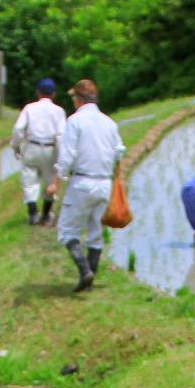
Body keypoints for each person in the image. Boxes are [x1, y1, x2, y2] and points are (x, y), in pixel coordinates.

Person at [54, 78, 125, 292]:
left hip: (82, 181)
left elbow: (67, 155)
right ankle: (89, 281)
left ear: (77, 99)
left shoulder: (74, 121)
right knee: (95, 231)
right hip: (104, 183)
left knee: (67, 230)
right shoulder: (109, 123)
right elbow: (119, 151)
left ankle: (85, 271)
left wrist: (59, 177)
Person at [11, 78, 67, 225]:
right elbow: (61, 134)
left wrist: (16, 146)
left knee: (29, 180)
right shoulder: (59, 111)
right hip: (50, 148)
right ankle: (46, 214)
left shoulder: (29, 108)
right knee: (50, 181)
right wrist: (62, 155)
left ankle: (32, 213)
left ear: (38, 93)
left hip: (32, 146)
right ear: (54, 94)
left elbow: (18, 129)